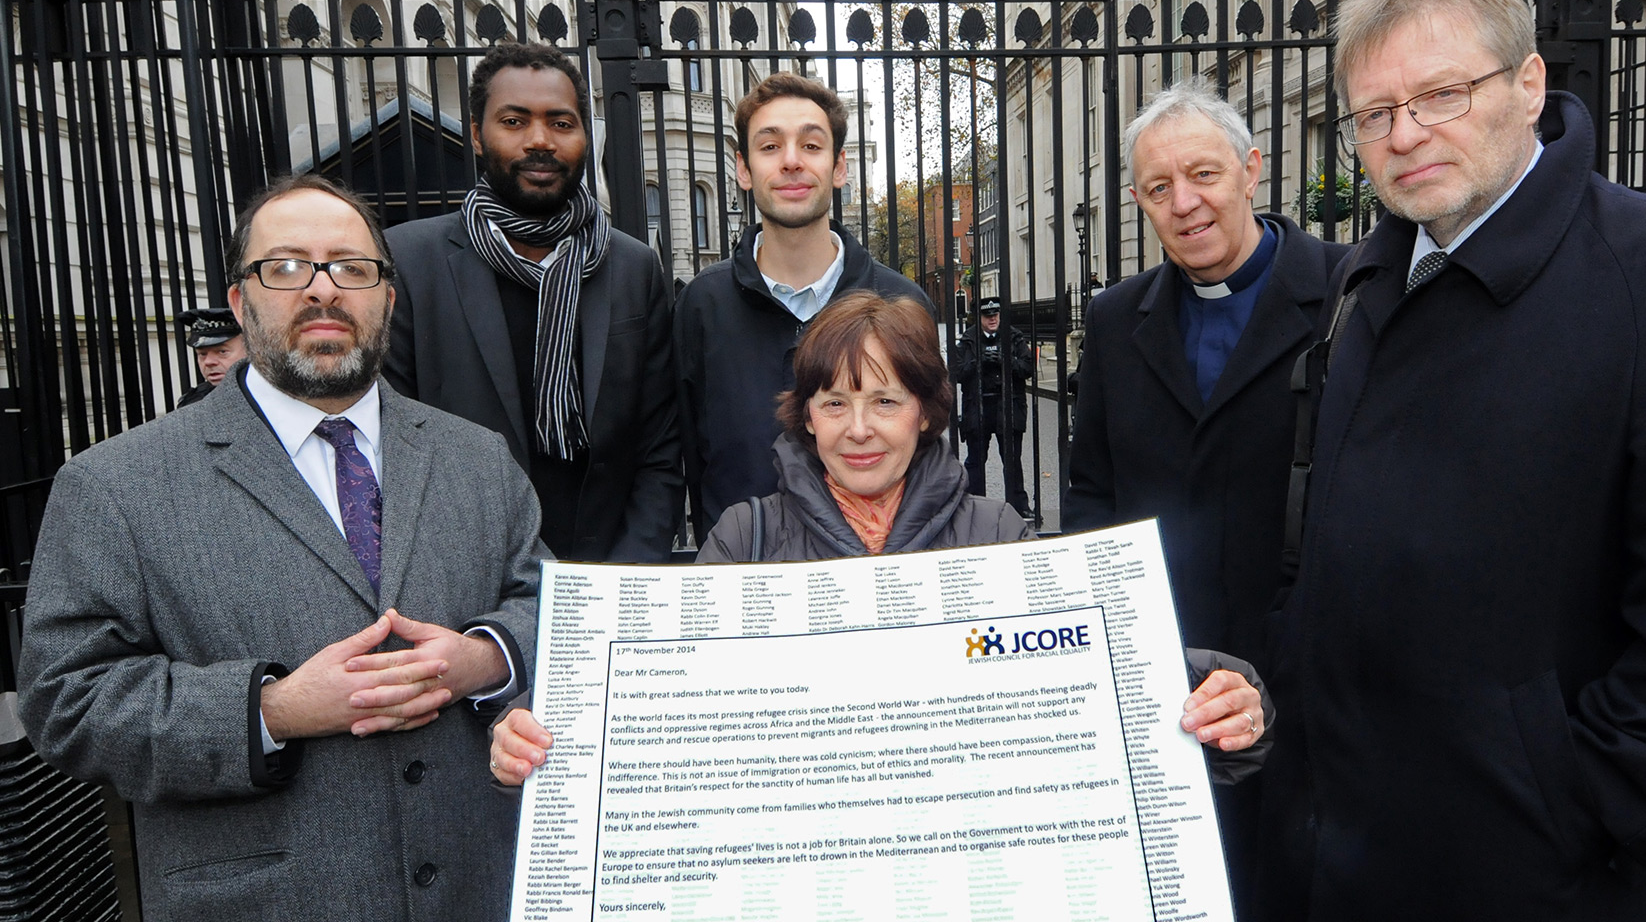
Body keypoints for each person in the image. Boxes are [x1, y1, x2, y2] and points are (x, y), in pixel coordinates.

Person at [1263, 0, 1646, 921]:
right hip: (1341, 852)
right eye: (1375, 113)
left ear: (1529, 84)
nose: (1406, 133)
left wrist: (1579, 806)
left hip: (1545, 879)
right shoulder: (1362, 283)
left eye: (1442, 94)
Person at [17, 175, 544, 921]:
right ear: (240, 302)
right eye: (287, 267)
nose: (322, 291)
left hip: (476, 886)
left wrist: (485, 658)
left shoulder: (477, 457)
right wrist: (274, 709)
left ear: (387, 298)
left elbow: (550, 603)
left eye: (351, 268)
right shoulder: (114, 485)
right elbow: (65, 703)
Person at [491, 293, 1271, 788]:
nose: (858, 430)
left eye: (885, 401)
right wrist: (535, 726)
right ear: (805, 416)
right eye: (833, 403)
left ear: (927, 412)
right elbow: (648, 697)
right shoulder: (745, 541)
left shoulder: (994, 535)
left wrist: (1223, 693)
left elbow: (1100, 667)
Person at [1062, 78, 1346, 908]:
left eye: (1204, 175)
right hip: (1169, 678)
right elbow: (1091, 492)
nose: (1183, 203)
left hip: (1304, 681)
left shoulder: (1345, 292)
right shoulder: (1117, 318)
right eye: (1158, 187)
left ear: (1252, 170)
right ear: (1138, 200)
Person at [385, 43, 679, 562]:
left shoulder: (633, 268)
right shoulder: (410, 263)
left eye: (561, 123)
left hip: (605, 577)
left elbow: (660, 447)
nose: (540, 140)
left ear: (585, 138)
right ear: (477, 135)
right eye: (515, 121)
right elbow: (395, 452)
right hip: (467, 583)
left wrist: (625, 577)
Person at [674, 71, 932, 543]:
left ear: (839, 167)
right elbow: (687, 454)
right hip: (746, 576)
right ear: (744, 169)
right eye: (770, 147)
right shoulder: (701, 305)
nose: (791, 161)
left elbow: (928, 456)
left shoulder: (901, 302)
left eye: (811, 146)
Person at [950, 295, 1035, 519]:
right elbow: (956, 373)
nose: (992, 320)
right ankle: (974, 507)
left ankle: (1019, 506)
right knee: (976, 460)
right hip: (978, 407)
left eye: (995, 315)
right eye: (988, 316)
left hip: (1008, 406)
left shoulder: (1014, 337)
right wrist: (978, 362)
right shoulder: (968, 340)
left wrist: (1005, 361)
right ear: (979, 317)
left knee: (1012, 460)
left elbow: (1027, 368)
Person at [173, 306, 248, 407]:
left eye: (222, 352)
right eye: (202, 354)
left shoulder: (270, 397)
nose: (208, 362)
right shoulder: (194, 402)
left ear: (250, 351)